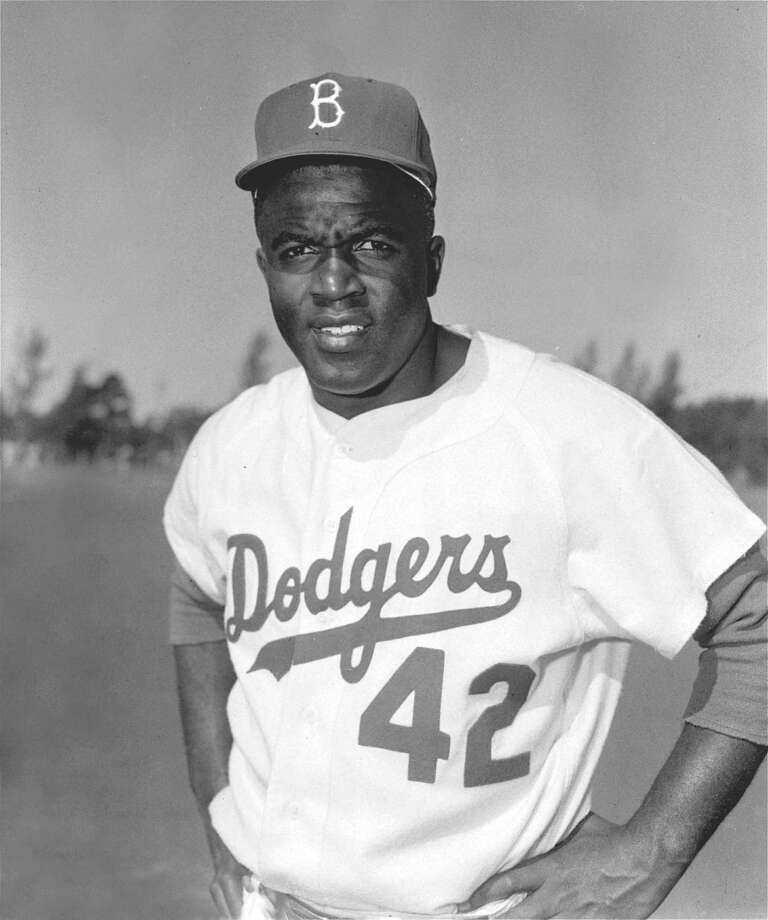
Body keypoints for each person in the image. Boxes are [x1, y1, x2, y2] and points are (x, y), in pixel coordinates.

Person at [164, 73, 767, 920]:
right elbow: (197, 596)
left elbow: (760, 618)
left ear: (432, 259)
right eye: (299, 249)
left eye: (372, 244)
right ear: (266, 265)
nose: (333, 283)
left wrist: (655, 847)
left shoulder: (562, 430)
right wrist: (216, 810)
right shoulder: (233, 444)